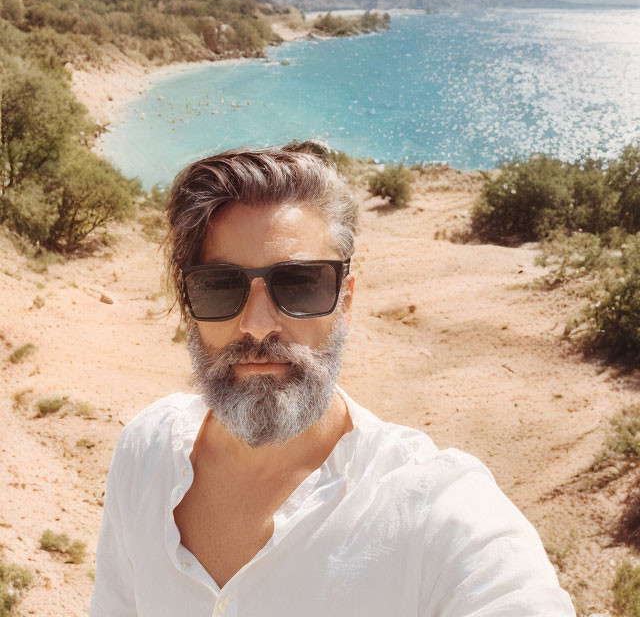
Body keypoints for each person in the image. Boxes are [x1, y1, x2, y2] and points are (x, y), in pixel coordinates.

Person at [90, 142, 575, 617]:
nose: (258, 325)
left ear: (345, 301)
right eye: (219, 287)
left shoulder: (439, 514)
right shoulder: (145, 455)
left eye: (299, 283)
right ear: (190, 305)